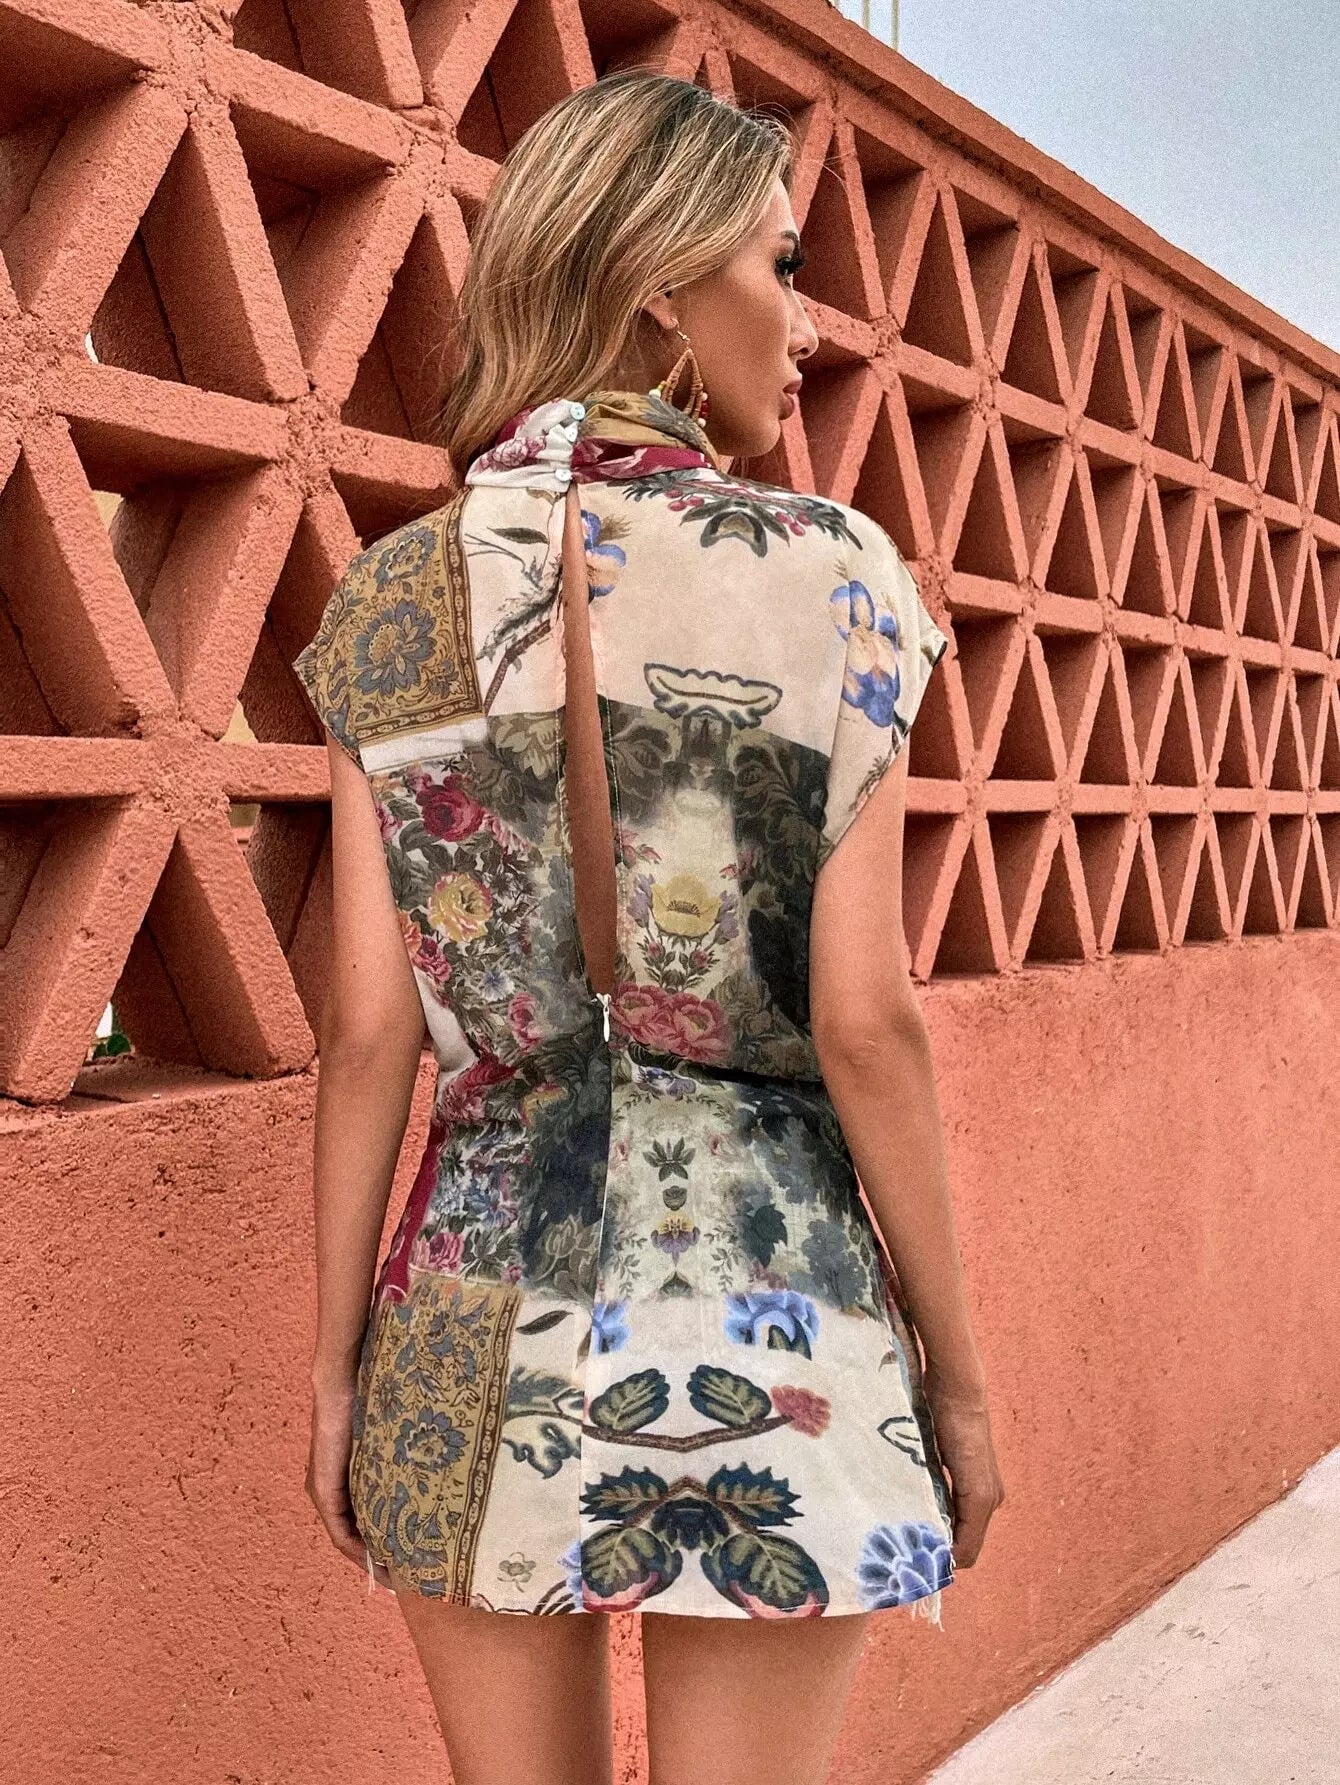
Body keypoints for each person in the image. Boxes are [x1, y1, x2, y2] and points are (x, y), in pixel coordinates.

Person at [294, 67, 1004, 1785]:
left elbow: (370, 1035)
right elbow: (865, 1024)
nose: (811, 324)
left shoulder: (389, 599)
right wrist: (961, 1379)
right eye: (780, 263)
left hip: (469, 1299)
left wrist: (333, 1370)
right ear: (664, 289)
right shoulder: (836, 576)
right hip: (775, 1301)